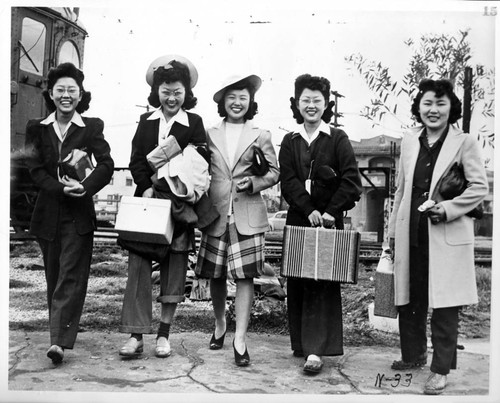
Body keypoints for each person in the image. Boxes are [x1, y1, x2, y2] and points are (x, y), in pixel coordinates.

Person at [387, 79, 488, 395]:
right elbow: (401, 190)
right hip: (411, 231)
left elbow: (479, 188)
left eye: (440, 104)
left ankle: (441, 369)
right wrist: (392, 233)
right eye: (428, 103)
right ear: (419, 106)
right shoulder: (409, 140)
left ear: (451, 108)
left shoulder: (464, 142)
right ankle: (413, 355)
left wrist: (446, 209)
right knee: (409, 297)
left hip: (446, 233)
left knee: (445, 303)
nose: (433, 110)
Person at [24, 62, 114, 364]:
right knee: (54, 276)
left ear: (80, 95)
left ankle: (59, 343)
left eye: (71, 90)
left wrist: (85, 187)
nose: (66, 95)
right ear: (51, 93)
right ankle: (59, 334)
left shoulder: (92, 127)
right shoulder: (36, 128)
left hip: (78, 214)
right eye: (60, 90)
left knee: (71, 276)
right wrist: (60, 189)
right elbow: (35, 170)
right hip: (48, 213)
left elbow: (106, 165)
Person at [119, 55, 207, 358]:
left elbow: (201, 163)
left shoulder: (194, 124)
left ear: (187, 93)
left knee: (175, 269)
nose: (171, 97)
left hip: (180, 206)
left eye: (177, 92)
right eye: (166, 91)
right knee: (139, 267)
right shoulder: (146, 122)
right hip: (149, 205)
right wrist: (144, 186)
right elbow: (136, 160)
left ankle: (164, 335)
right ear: (157, 92)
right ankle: (136, 335)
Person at [279, 74, 361, 374]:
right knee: (299, 281)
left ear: (326, 104)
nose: (311, 106)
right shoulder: (290, 141)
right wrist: (308, 209)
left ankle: (316, 350)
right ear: (297, 104)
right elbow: (287, 181)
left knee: (322, 284)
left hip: (328, 222)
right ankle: (301, 344)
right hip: (300, 219)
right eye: (305, 100)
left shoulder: (337, 139)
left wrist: (329, 211)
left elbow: (351, 180)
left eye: (317, 101)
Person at [195, 74, 279, 366]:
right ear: (222, 101)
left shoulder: (261, 134)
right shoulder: (209, 133)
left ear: (250, 101)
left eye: (243, 97)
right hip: (215, 212)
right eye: (232, 97)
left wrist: (253, 184)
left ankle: (240, 338)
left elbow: (274, 172)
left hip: (247, 213)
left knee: (245, 277)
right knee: (216, 274)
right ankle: (220, 324)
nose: (237, 103)